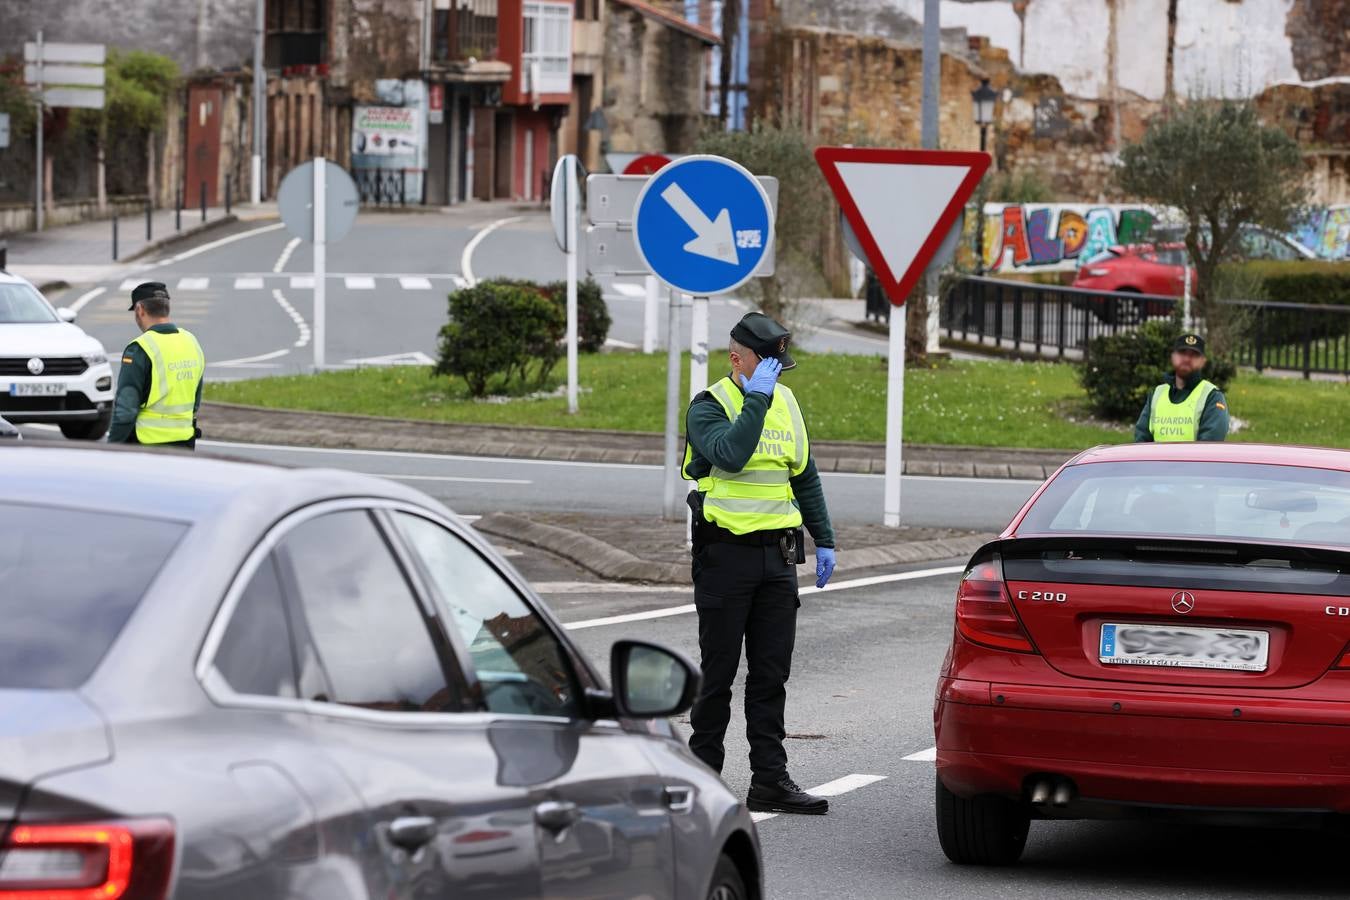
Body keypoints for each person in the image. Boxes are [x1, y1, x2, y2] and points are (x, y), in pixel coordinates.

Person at [681, 311, 837, 816]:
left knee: (771, 675)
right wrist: (756, 398)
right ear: (737, 359)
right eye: (767, 363)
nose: (775, 373)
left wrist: (825, 538)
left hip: (776, 559)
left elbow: (804, 476)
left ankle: (769, 779)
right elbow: (730, 454)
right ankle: (703, 780)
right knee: (719, 674)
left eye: (778, 365)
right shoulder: (709, 406)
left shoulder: (786, 402)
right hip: (724, 557)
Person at [109, 282, 205, 449]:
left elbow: (126, 410)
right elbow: (195, 401)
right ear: (167, 308)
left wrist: (111, 448)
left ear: (140, 309)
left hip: (148, 446)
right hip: (185, 443)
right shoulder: (191, 341)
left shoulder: (140, 348)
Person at [1133, 332, 1229, 443]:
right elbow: (1141, 442)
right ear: (1173, 357)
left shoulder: (1212, 396)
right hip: (1156, 461)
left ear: (1203, 361)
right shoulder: (1157, 394)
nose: (1187, 359)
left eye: (1194, 355)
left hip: (1194, 461)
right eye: (1182, 353)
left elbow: (1209, 446)